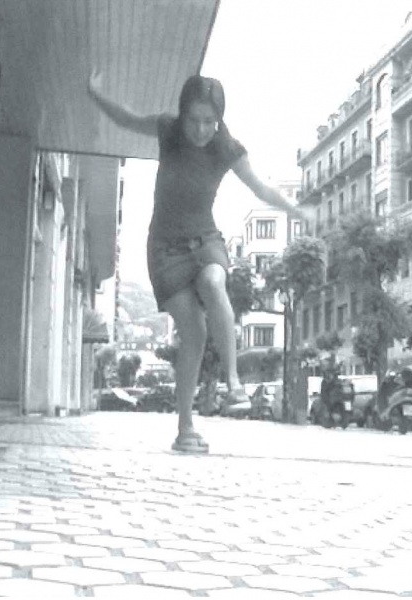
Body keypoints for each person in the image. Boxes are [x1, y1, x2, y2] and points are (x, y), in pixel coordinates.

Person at [88, 71, 304, 453]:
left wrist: (296, 210)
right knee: (195, 333)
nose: (201, 130)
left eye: (209, 121)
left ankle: (233, 382)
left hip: (205, 238)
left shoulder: (227, 149)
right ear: (182, 114)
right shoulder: (167, 130)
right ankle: (185, 427)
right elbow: (127, 119)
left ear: (219, 119)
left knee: (214, 283)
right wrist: (96, 94)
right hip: (165, 247)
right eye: (194, 120)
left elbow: (261, 187)